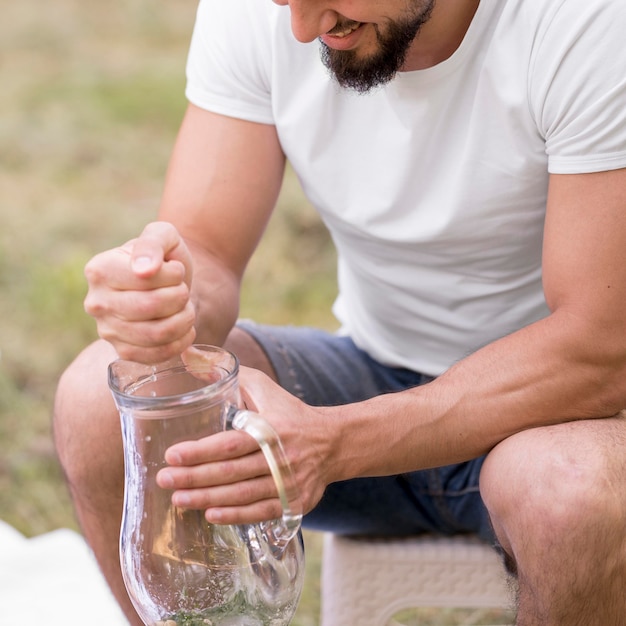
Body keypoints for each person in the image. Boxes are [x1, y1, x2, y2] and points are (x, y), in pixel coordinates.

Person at [53, 0, 626, 624]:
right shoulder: (260, 14)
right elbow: (208, 251)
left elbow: (599, 349)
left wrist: (340, 443)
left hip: (564, 418)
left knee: (573, 491)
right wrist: (164, 302)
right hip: (372, 372)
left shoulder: (587, 22)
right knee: (98, 396)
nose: (302, 30)